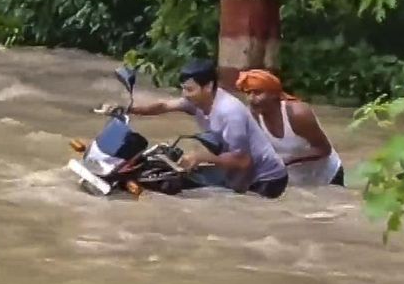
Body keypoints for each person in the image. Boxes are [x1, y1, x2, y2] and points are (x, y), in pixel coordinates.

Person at [114, 59, 289, 199]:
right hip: (237, 169)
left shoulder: (229, 112)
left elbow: (243, 161)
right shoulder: (196, 101)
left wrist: (201, 157)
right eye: (183, 89)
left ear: (208, 86)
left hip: (265, 179)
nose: (185, 95)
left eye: (190, 89)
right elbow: (163, 106)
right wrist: (128, 108)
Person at [235, 69, 345, 186]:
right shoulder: (252, 116)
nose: (251, 99)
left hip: (327, 176)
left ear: (274, 94)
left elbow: (324, 150)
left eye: (257, 93)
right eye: (248, 93)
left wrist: (287, 161)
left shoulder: (298, 114)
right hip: (294, 180)